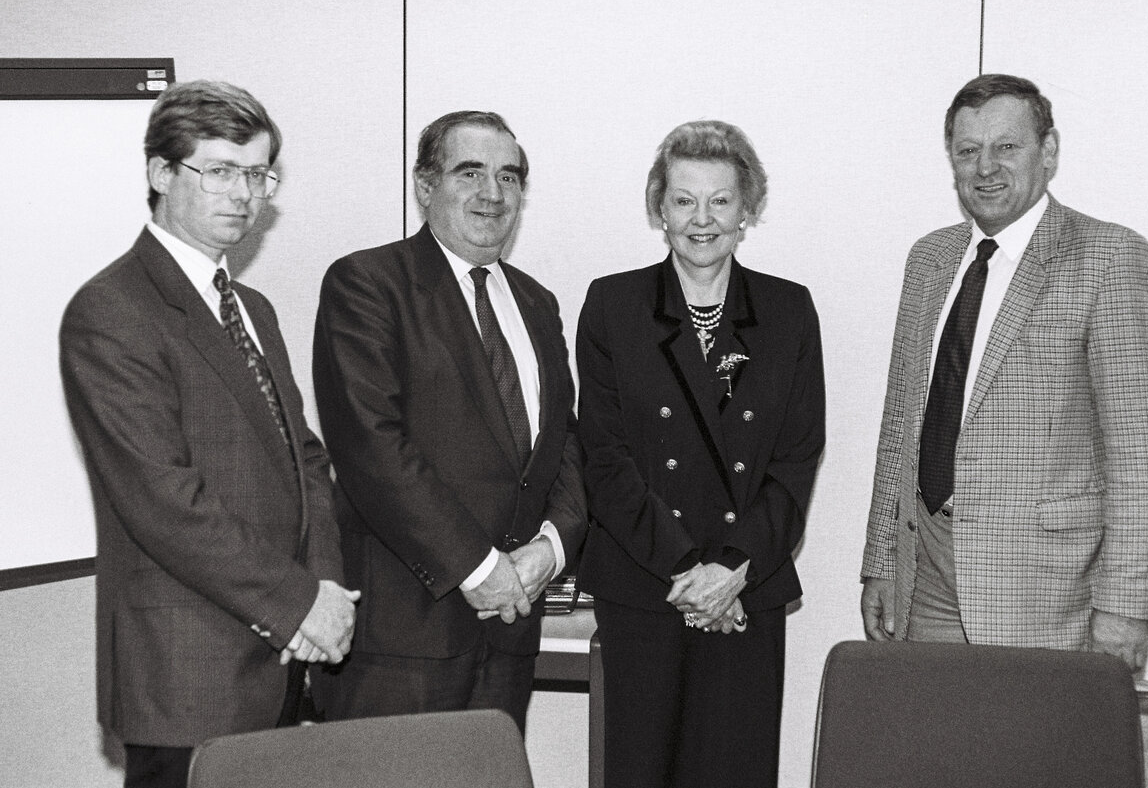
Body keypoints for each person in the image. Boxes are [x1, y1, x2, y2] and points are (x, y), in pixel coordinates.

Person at [59, 80, 358, 788]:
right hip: (188, 678)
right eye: (220, 170)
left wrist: (326, 588)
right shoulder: (111, 309)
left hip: (283, 664)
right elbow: (165, 501)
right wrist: (298, 605)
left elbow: (303, 463)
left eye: (257, 174)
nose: (244, 195)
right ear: (161, 174)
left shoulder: (250, 305)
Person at [860, 74, 1148, 673]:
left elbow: (1140, 454)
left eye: (1007, 147)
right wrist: (881, 559)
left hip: (1048, 594)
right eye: (967, 150)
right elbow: (901, 420)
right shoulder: (929, 258)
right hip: (924, 575)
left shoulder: (1107, 257)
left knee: (1034, 760)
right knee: (938, 757)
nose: (986, 168)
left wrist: (1127, 608)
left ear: (1048, 151)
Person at [311, 110, 586, 733]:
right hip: (402, 640)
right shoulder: (367, 284)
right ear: (424, 185)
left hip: (511, 633)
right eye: (471, 173)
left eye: (510, 178)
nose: (493, 193)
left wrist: (553, 544)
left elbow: (563, 441)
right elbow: (371, 446)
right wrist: (480, 569)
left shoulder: (537, 303)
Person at [576, 120, 826, 788]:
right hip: (647, 587)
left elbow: (796, 460)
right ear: (660, 209)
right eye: (684, 199)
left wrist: (733, 568)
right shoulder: (614, 304)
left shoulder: (786, 310)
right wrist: (693, 572)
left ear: (748, 209)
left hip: (748, 587)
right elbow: (605, 458)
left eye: (721, 200)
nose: (702, 219)